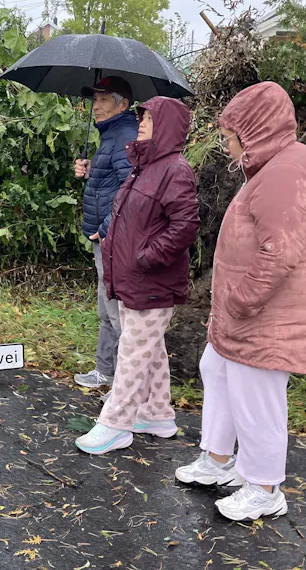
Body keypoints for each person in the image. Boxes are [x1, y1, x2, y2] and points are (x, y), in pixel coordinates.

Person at [174, 81, 306, 521]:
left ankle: (265, 488)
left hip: (268, 315)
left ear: (253, 132)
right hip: (253, 313)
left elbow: (279, 252)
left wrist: (241, 300)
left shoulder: (285, 171)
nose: (227, 147)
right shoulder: (276, 165)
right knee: (217, 368)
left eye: (229, 138)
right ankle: (220, 460)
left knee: (257, 396)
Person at [75, 96, 200, 455]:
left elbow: (185, 225)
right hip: (133, 276)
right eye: (142, 117)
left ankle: (115, 424)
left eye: (147, 119)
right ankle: (157, 414)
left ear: (166, 127)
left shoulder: (175, 170)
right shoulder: (144, 166)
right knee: (150, 347)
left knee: (132, 350)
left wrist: (147, 258)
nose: (140, 123)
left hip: (152, 279)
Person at [72, 77, 137, 392]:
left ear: (122, 104)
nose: (95, 106)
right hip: (105, 239)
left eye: (103, 100)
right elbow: (111, 181)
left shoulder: (125, 136)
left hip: (113, 239)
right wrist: (89, 169)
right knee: (106, 306)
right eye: (94, 100)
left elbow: (132, 190)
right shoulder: (111, 136)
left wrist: (105, 230)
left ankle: (126, 385)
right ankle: (105, 371)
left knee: (116, 311)